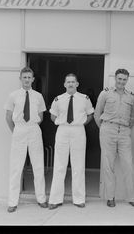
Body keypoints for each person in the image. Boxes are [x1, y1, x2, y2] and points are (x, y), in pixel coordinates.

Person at [4, 67, 48, 213]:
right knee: (16, 167)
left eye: (29, 77)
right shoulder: (13, 95)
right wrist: (17, 131)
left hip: (34, 129)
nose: (27, 80)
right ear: (20, 79)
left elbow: (41, 117)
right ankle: (12, 202)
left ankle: (41, 199)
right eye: (25, 77)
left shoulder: (38, 96)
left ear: (33, 79)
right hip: (20, 129)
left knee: (38, 165)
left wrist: (32, 127)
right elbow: (8, 117)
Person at [94, 68, 134, 207]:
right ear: (115, 78)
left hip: (124, 131)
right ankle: (110, 197)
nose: (121, 81)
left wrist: (126, 129)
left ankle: (131, 198)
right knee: (108, 165)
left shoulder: (130, 96)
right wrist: (104, 128)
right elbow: (97, 113)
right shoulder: (105, 93)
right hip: (108, 129)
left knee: (128, 165)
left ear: (127, 80)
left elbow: (133, 117)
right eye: (119, 79)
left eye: (124, 79)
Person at [48, 73, 94, 209]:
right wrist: (62, 124)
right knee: (59, 165)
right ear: (64, 84)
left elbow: (90, 114)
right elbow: (52, 116)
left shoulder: (84, 98)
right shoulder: (58, 99)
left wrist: (81, 124)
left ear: (77, 84)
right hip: (62, 130)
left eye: (73, 82)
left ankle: (79, 199)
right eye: (68, 82)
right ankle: (55, 199)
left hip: (78, 131)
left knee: (78, 165)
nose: (70, 84)